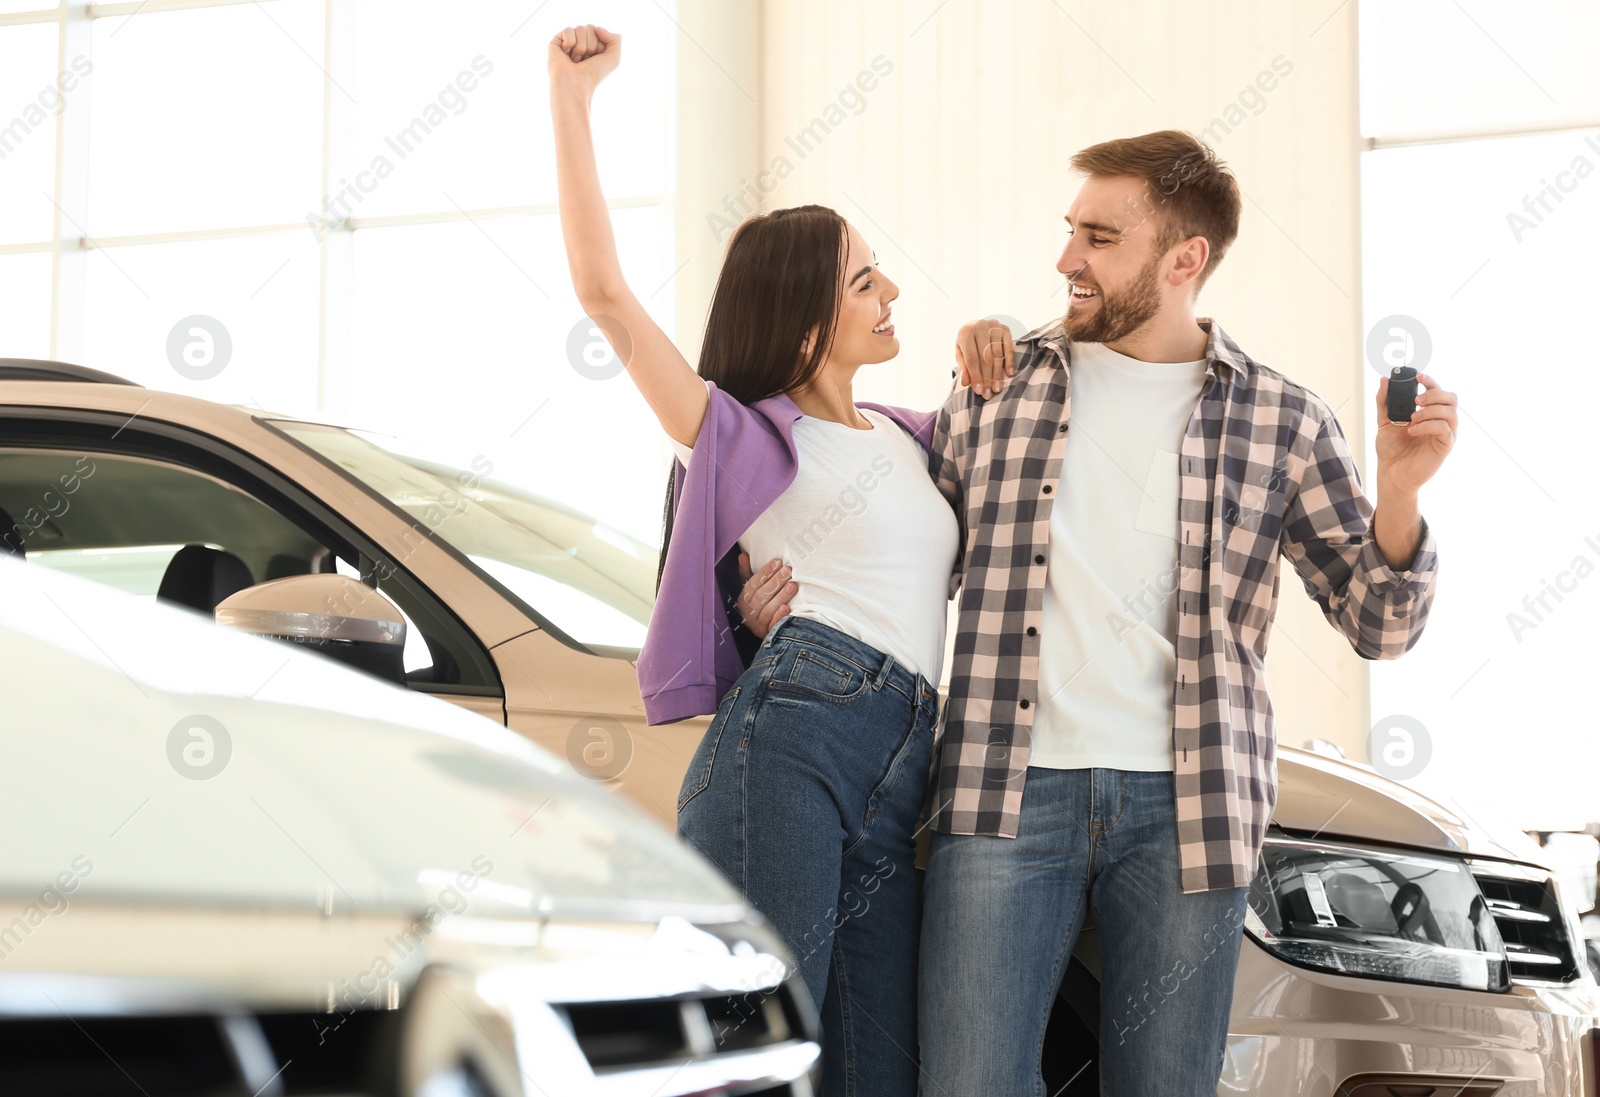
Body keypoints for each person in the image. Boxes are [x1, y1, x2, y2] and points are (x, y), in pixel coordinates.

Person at [740, 130, 1458, 1095]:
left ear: (1183, 260)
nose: (1067, 258)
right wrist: (775, 608)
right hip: (1004, 795)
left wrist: (1402, 495)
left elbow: (1384, 626)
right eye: (1070, 229)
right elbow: (906, 549)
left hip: (1189, 809)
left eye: (1099, 237)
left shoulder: (1284, 421)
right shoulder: (997, 388)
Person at [547, 24, 1006, 1097]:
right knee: (754, 1067)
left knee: (872, 1074)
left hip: (904, 761)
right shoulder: (741, 435)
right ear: (803, 318)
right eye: (862, 279)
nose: (890, 289)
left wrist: (997, 333)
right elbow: (604, 294)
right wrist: (573, 99)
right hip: (795, 738)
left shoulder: (911, 435)